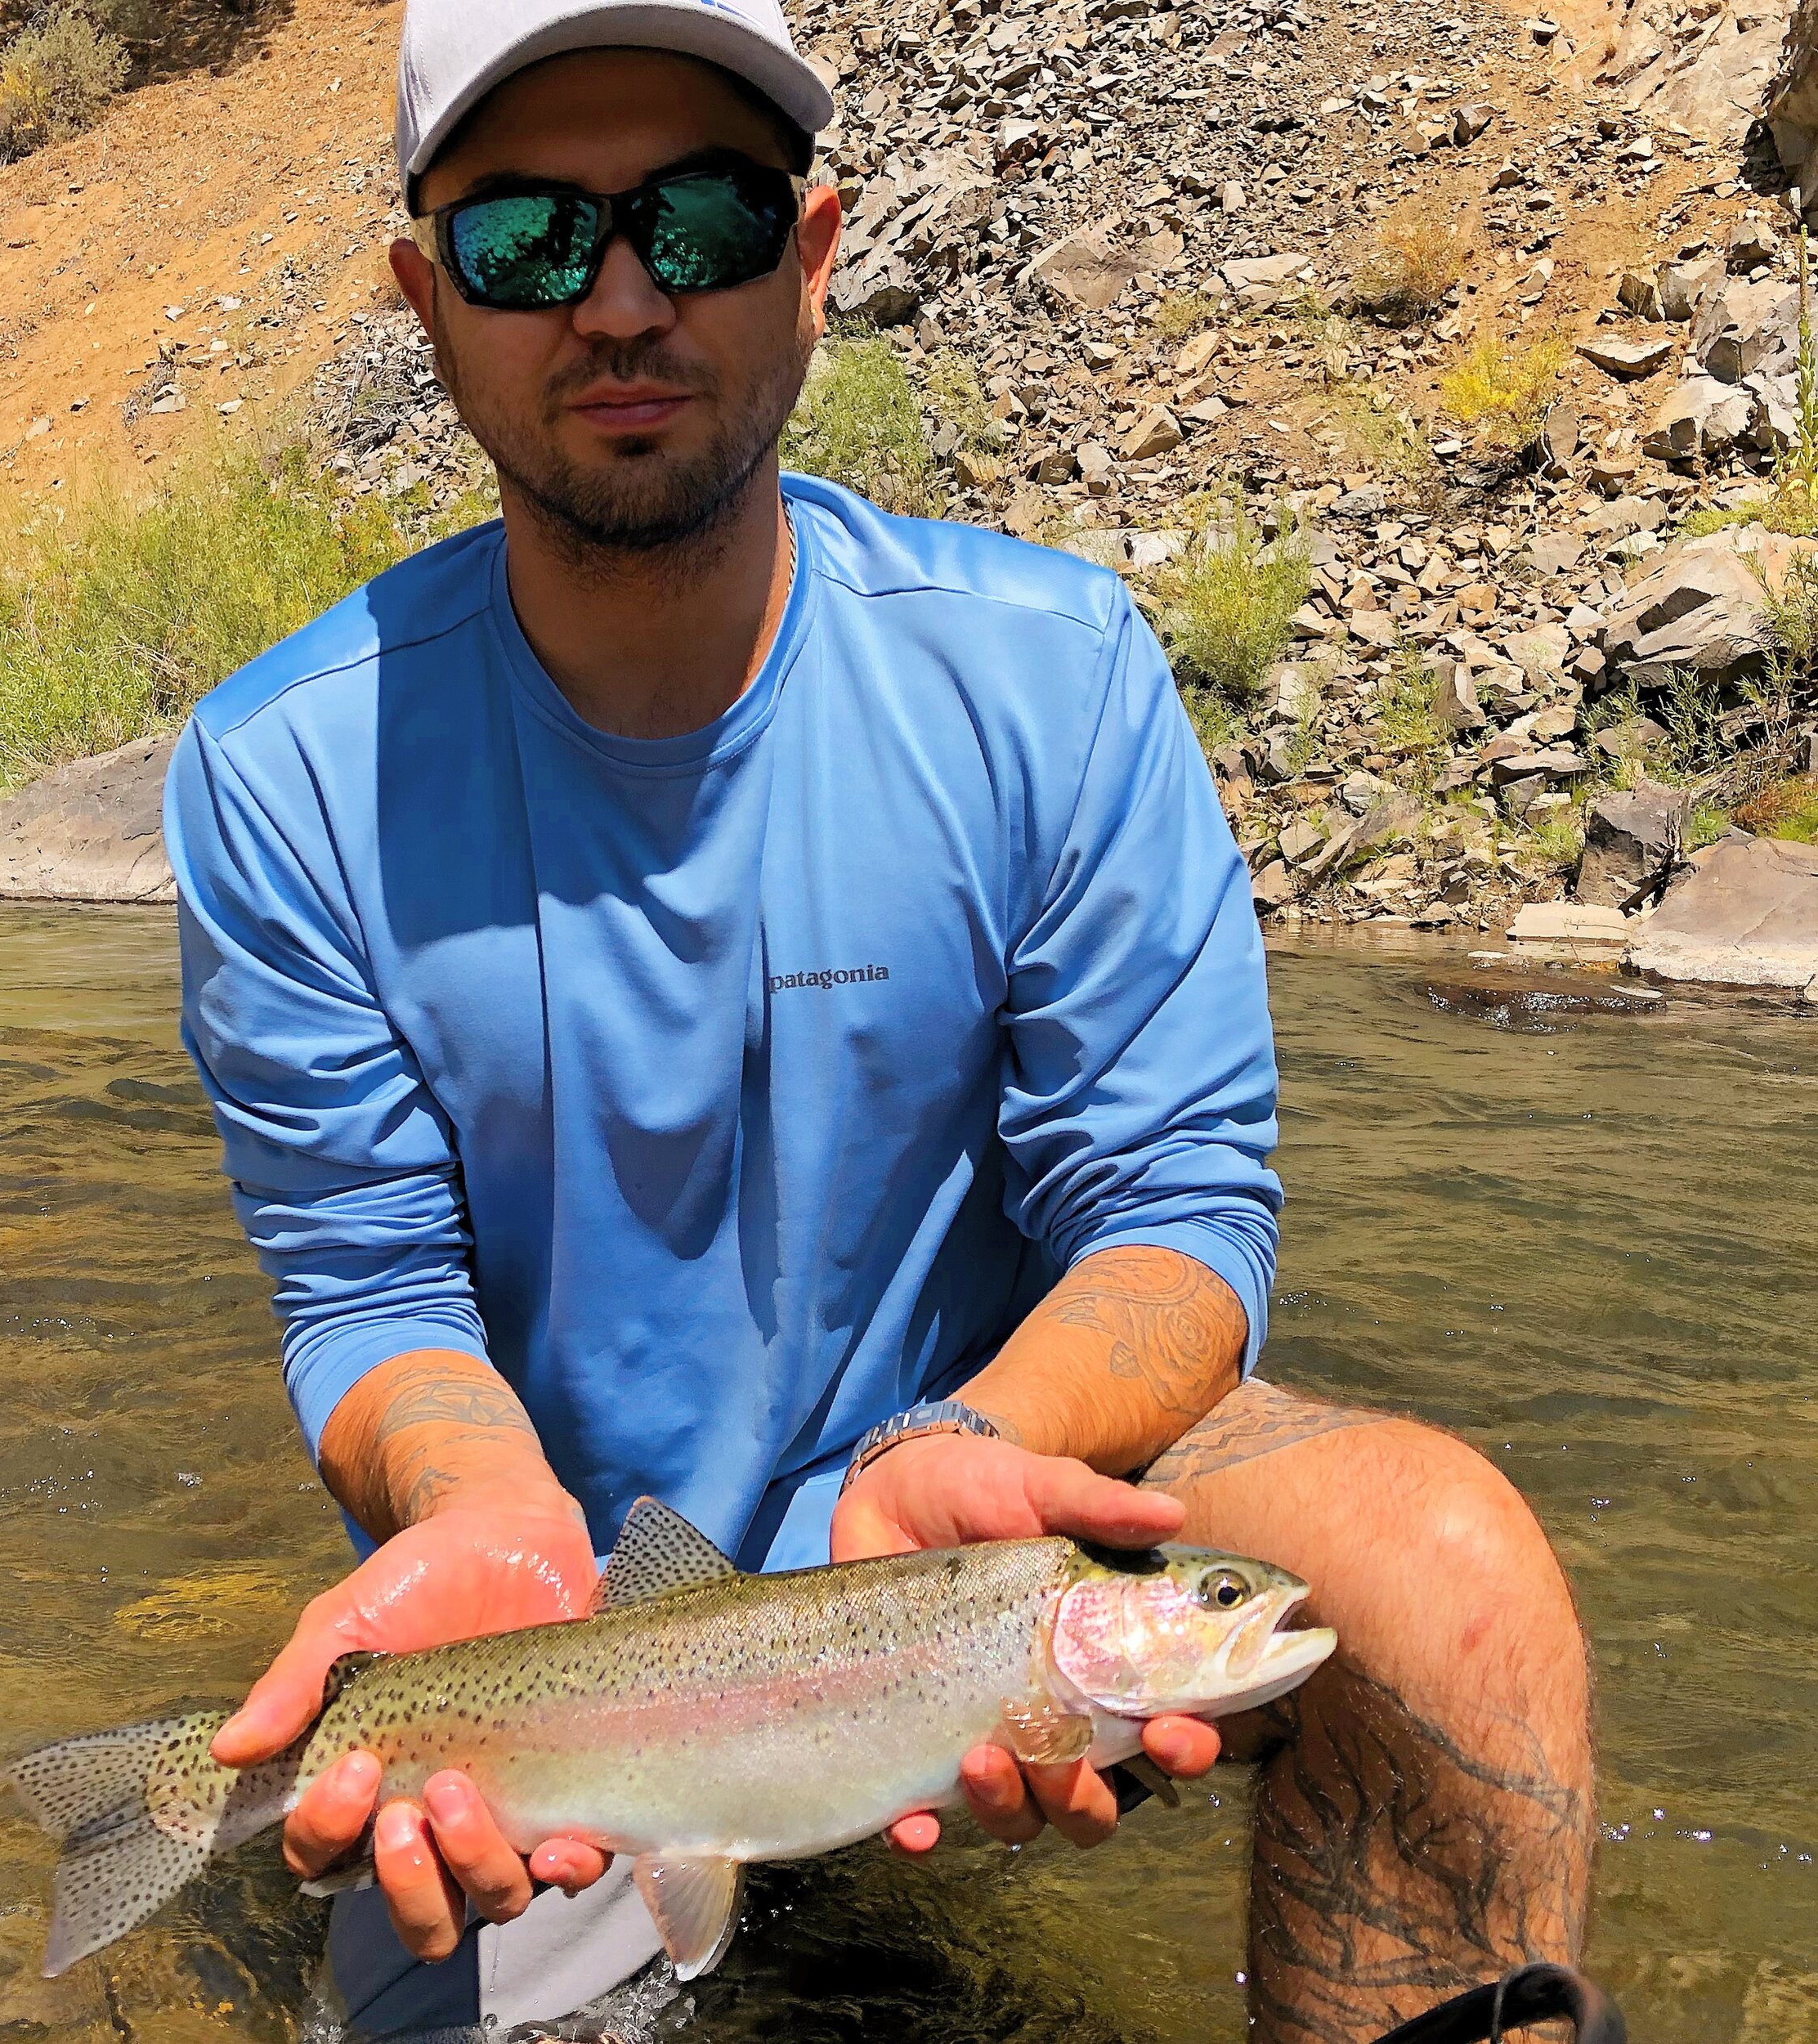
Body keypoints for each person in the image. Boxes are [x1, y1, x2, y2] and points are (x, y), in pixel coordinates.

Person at [161, 1, 1593, 2035]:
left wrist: (969, 1448)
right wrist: (483, 1510)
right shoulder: (284, 774)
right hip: (576, 1628)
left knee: (1446, 1578)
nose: (623, 298)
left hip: (977, 1513)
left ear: (814, 258)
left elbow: (1180, 1204)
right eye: (525, 243)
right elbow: (368, 1298)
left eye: (705, 218)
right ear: (424, 300)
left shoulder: (1049, 679)